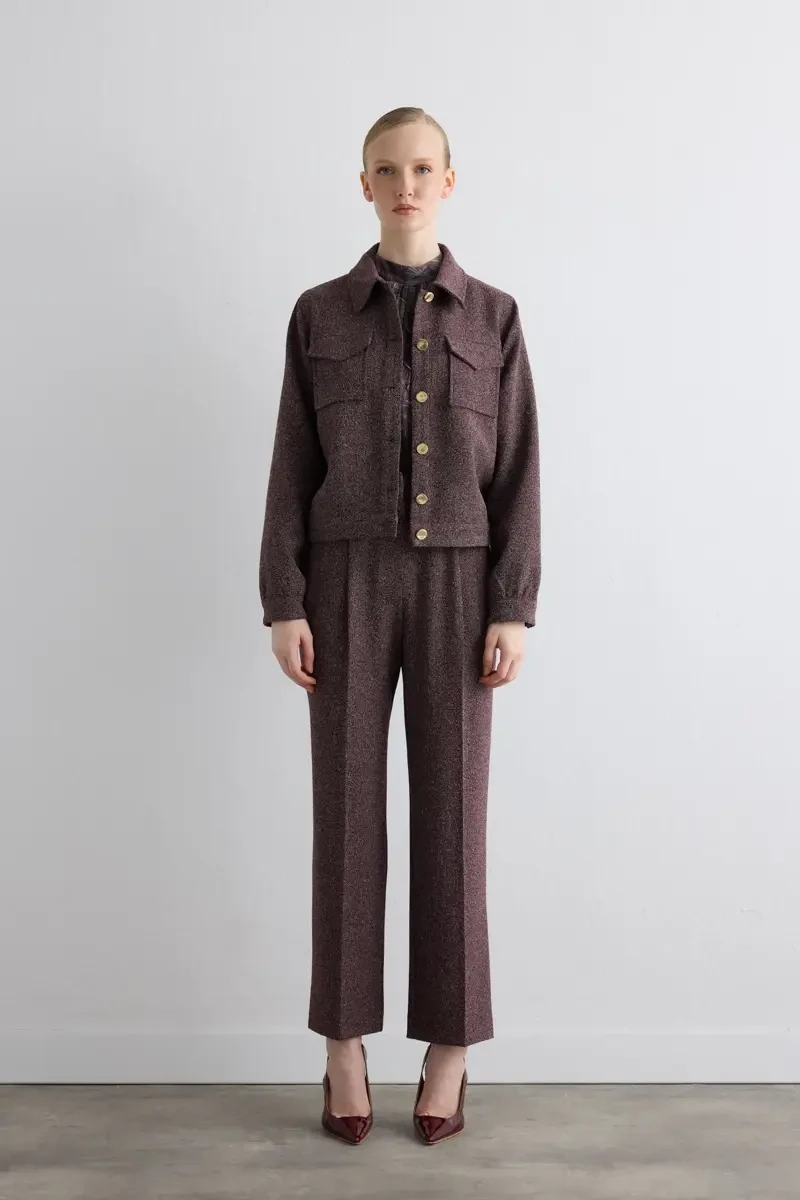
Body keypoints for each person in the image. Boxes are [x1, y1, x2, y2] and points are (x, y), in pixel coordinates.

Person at [258, 106, 541, 1144]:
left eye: (422, 168)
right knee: (345, 814)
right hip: (343, 580)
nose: (405, 185)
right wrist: (284, 598)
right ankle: (343, 1043)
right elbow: (292, 460)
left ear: (449, 181)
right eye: (387, 170)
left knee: (453, 817)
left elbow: (521, 468)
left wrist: (512, 603)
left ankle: (450, 1048)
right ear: (364, 184)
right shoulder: (319, 315)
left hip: (460, 583)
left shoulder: (494, 317)